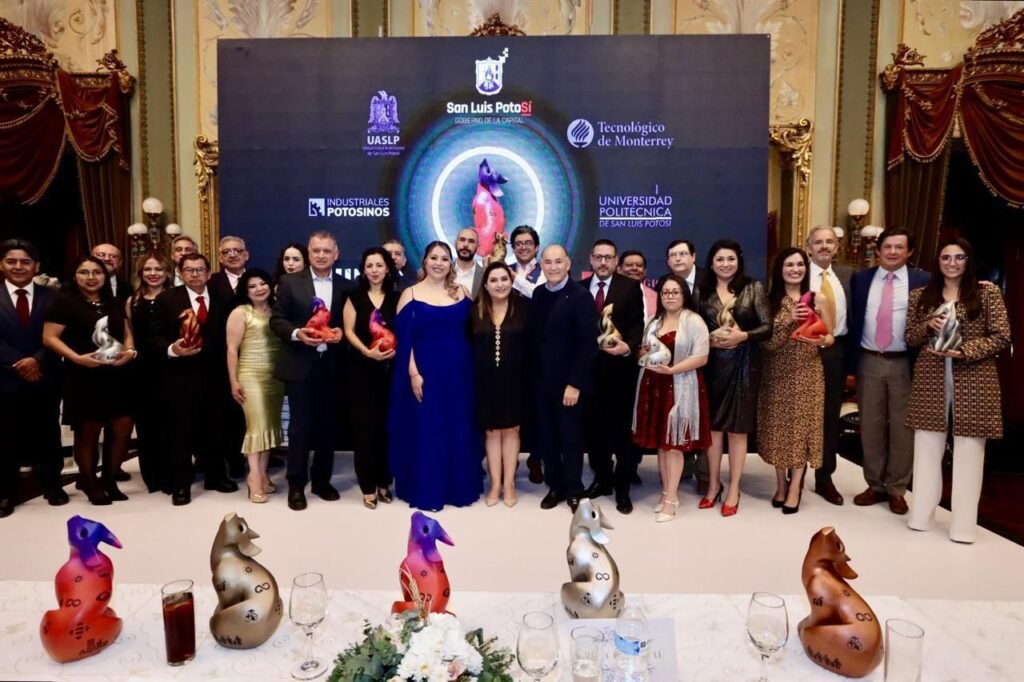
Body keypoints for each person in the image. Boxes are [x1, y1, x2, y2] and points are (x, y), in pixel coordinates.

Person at [905, 238, 1010, 543]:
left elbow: (1002, 336)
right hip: (931, 377)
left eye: (959, 257)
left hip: (975, 378)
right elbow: (910, 337)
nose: (952, 263)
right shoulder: (920, 296)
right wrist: (928, 326)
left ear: (968, 260)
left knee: (970, 452)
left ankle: (963, 526)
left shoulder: (987, 292)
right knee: (926, 448)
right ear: (937, 261)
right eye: (946, 257)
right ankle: (921, 516)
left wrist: (964, 351)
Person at [388, 241, 481, 510]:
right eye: (434, 258)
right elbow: (404, 341)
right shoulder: (410, 294)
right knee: (429, 428)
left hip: (460, 372)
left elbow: (476, 331)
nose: (439, 263)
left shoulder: (462, 292)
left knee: (458, 426)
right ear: (425, 261)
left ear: (451, 264)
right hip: (425, 372)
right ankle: (429, 487)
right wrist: (414, 373)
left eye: (444, 258)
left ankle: (458, 487)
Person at [43, 255, 137, 505]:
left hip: (117, 373)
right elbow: (49, 337)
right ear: (75, 276)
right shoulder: (63, 301)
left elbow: (127, 332)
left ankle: (109, 479)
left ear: (105, 276)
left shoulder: (114, 301)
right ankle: (89, 481)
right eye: (84, 272)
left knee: (122, 426)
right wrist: (77, 358)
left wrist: (130, 352)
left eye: (97, 272)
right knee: (88, 430)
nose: (91, 277)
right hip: (83, 375)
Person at [848, 227, 929, 515]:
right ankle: (875, 484)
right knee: (870, 426)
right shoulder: (861, 279)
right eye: (888, 247)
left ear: (909, 252)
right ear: (878, 250)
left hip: (905, 363)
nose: (893, 252)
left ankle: (897, 489)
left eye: (899, 247)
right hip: (869, 360)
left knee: (903, 428)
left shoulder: (924, 281)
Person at [150, 252, 239, 505]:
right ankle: (181, 484)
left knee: (216, 429)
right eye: (189, 270)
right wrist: (172, 349)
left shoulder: (224, 297)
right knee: (181, 432)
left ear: (208, 273)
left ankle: (215, 476)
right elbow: (154, 337)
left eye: (200, 270)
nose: (195, 274)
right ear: (180, 273)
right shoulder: (167, 299)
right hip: (180, 377)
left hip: (216, 376)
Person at [270, 231, 348, 511]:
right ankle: (296, 484)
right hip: (300, 365)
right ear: (309, 253)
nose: (321, 255)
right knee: (299, 428)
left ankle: (321, 481)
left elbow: (349, 325)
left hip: (332, 366)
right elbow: (277, 320)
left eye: (327, 251)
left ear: (336, 254)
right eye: (316, 250)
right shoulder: (290, 282)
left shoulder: (346, 286)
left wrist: (342, 333)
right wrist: (297, 333)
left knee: (328, 427)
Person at [698, 239, 771, 516]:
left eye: (730, 258)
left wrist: (743, 336)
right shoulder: (702, 292)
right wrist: (708, 342)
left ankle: (734, 489)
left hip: (744, 365)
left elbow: (767, 327)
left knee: (738, 431)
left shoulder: (753, 288)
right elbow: (694, 327)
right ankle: (713, 485)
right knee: (713, 429)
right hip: (713, 367)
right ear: (711, 263)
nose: (725, 264)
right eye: (720, 259)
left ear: (738, 261)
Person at [632, 274, 710, 523]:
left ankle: (672, 499)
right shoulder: (654, 322)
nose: (670, 296)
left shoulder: (694, 321)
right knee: (661, 444)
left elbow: (702, 357)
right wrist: (642, 352)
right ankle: (666, 492)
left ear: (684, 295)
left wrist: (672, 370)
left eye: (675, 292)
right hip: (653, 386)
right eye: (665, 292)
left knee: (674, 445)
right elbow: (643, 354)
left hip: (680, 387)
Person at [758, 248, 829, 514]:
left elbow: (830, 336)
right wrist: (788, 320)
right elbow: (767, 345)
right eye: (789, 264)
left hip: (808, 373)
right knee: (778, 431)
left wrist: (823, 340)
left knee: (801, 431)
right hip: (777, 374)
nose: (795, 269)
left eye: (800, 264)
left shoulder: (817, 299)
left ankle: (796, 486)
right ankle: (780, 484)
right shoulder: (768, 302)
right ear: (780, 269)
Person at [527, 245, 598, 511]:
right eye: (548, 262)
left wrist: (575, 383)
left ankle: (573, 489)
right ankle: (554, 486)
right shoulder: (538, 293)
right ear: (541, 265)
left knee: (570, 439)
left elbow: (588, 345)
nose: (553, 267)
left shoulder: (581, 297)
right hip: (541, 383)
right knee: (547, 438)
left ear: (568, 264)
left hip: (569, 385)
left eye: (558, 262)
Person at [0, 239, 67, 516]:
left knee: (49, 432)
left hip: (45, 374)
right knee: (5, 437)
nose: (18, 266)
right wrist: (19, 362)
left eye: (25, 261)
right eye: (11, 261)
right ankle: (6, 492)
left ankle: (53, 485)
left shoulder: (53, 297)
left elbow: (61, 334)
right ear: (2, 264)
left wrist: (37, 359)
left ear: (36, 266)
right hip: (5, 378)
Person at [580, 239, 644, 514]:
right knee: (594, 431)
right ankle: (602, 479)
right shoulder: (580, 288)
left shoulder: (629, 287)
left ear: (616, 260)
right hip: (589, 374)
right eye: (599, 257)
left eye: (608, 257)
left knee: (621, 433)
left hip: (620, 372)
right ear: (591, 259)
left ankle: (623, 487)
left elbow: (637, 324)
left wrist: (628, 347)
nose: (603, 262)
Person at [342, 247, 398, 509]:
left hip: (391, 372)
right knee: (364, 430)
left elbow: (405, 329)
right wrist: (367, 352)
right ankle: (367, 486)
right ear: (363, 270)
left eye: (379, 265)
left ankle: (384, 481)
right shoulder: (354, 296)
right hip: (361, 371)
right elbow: (349, 331)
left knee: (386, 430)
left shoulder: (397, 297)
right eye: (369, 266)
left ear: (387, 268)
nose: (374, 270)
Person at [470, 262, 528, 507]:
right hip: (484, 382)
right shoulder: (474, 311)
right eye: (493, 280)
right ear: (485, 284)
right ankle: (495, 483)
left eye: (504, 279)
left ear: (511, 281)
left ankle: (509, 483)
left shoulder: (525, 308)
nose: (499, 284)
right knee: (492, 432)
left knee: (512, 431)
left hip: (517, 381)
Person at [226, 269, 285, 504]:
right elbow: (232, 349)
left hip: (275, 377)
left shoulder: (277, 310)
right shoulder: (240, 312)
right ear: (245, 291)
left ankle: (263, 473)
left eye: (263, 283)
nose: (259, 289)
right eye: (252, 286)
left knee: (269, 425)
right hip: (250, 376)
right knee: (256, 426)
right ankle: (254, 478)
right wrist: (233, 380)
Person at [805, 225, 853, 506]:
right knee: (799, 413)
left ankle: (824, 477)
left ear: (837, 247)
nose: (824, 246)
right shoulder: (797, 274)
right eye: (818, 242)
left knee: (829, 415)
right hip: (801, 351)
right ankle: (792, 475)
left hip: (836, 352)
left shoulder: (849, 277)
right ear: (808, 247)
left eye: (829, 242)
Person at [661, 239, 709, 494]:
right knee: (667, 440)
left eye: (683, 254)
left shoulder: (707, 284)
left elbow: (701, 355)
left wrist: (673, 369)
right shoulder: (658, 319)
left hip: (692, 377)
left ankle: (703, 478)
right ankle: (672, 485)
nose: (678, 259)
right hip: (662, 382)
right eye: (673, 255)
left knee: (690, 431)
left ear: (693, 256)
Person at [125, 253, 175, 494]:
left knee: (170, 422)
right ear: (140, 273)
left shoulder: (176, 298)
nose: (153, 274)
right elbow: (129, 335)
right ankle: (152, 476)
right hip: (142, 369)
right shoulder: (132, 301)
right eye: (148, 269)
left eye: (158, 269)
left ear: (167, 272)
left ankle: (171, 473)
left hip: (170, 366)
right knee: (146, 424)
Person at [619, 249, 658, 323]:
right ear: (619, 269)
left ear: (645, 271)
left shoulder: (656, 297)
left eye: (639, 265)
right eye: (629, 265)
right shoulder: (608, 293)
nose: (634, 268)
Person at [509, 225, 545, 299]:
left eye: (528, 243)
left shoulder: (545, 270)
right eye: (518, 244)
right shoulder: (506, 270)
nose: (523, 247)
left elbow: (539, 295)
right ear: (513, 249)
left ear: (536, 248)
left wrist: (514, 276)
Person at [453, 227, 485, 297]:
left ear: (477, 246)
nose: (466, 245)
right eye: (462, 240)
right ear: (455, 243)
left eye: (471, 241)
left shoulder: (485, 276)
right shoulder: (443, 271)